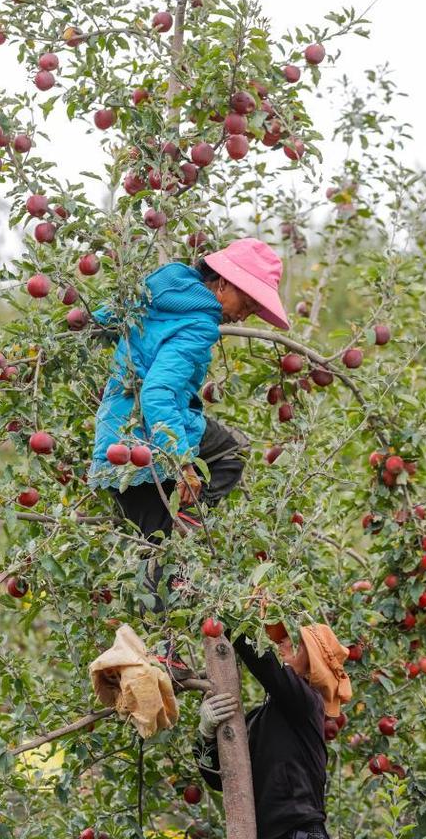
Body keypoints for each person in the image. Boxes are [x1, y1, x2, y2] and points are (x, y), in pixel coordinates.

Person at [87, 238, 290, 662]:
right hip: (149, 451)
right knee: (227, 460)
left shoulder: (165, 287)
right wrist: (180, 462)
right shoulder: (200, 324)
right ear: (221, 285)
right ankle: (165, 651)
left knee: (159, 549)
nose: (244, 314)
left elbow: (104, 318)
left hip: (114, 441)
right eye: (247, 303)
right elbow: (160, 392)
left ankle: (164, 650)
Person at [195, 624, 353, 839]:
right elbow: (221, 779)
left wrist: (229, 620)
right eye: (281, 640)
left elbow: (266, 664)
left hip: (300, 832)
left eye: (293, 643)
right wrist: (205, 735)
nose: (282, 644)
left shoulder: (308, 703)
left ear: (312, 665)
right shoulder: (254, 720)